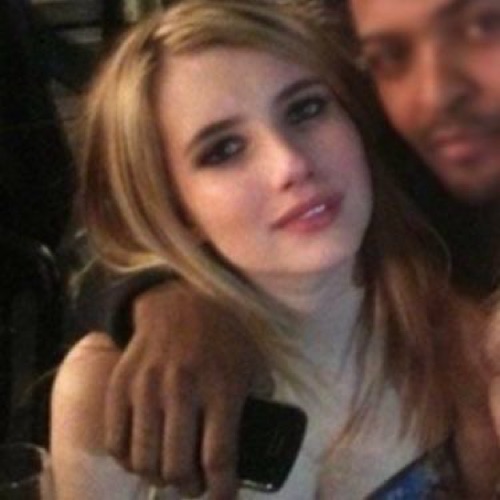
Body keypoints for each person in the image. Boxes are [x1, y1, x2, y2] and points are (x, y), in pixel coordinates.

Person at [50, 0, 467, 498]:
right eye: (223, 150)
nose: (290, 163)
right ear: (174, 206)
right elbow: (108, 234)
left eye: (305, 109)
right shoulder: (126, 392)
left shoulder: (434, 312)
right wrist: (155, 294)